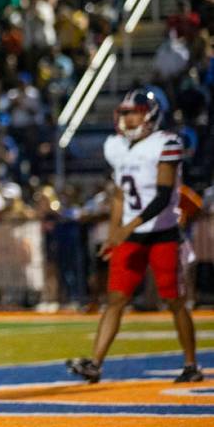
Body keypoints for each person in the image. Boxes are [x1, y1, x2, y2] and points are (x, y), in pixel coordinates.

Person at [67, 89, 202, 384]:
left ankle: (191, 364)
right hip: (131, 236)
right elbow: (119, 196)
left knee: (174, 300)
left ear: (150, 113)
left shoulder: (166, 143)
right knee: (115, 298)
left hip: (163, 233)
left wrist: (129, 227)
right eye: (125, 112)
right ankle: (95, 363)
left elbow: (164, 195)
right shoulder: (116, 146)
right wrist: (115, 234)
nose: (128, 118)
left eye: (134, 112)